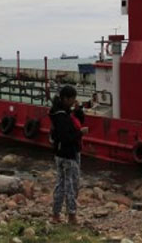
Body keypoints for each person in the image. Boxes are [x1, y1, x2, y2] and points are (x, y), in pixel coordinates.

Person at [49, 85, 88, 225]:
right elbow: (67, 136)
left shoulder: (61, 112)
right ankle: (71, 215)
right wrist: (80, 133)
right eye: (72, 99)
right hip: (67, 154)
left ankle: (56, 214)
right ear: (66, 98)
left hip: (61, 153)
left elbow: (77, 122)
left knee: (61, 183)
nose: (73, 102)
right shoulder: (61, 116)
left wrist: (78, 111)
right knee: (72, 184)